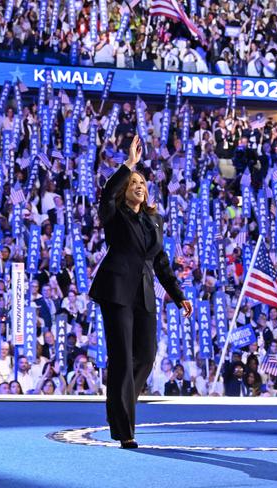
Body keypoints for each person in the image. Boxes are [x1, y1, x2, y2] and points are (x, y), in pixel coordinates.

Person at [89, 135, 193, 449]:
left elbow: (160, 260)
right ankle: (125, 429)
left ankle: (119, 407)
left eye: (143, 181)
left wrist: (178, 294)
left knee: (146, 356)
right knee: (121, 357)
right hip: (116, 290)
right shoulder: (114, 213)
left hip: (145, 293)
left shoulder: (154, 220)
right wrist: (129, 164)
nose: (139, 184)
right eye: (134, 181)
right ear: (125, 188)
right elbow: (107, 193)